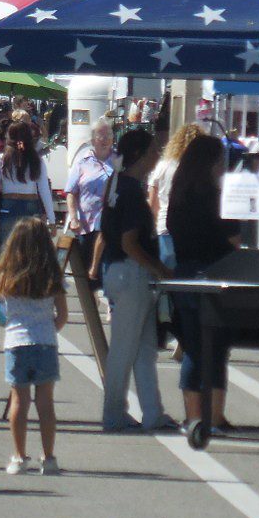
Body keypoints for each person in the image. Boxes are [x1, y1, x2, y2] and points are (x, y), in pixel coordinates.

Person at [97, 129, 175, 433]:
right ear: (141, 154)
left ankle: (152, 412)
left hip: (120, 271)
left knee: (142, 349)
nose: (157, 155)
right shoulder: (130, 191)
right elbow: (130, 242)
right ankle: (113, 413)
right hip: (132, 271)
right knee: (125, 350)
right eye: (154, 150)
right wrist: (158, 268)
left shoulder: (118, 185)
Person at [0, 217, 67, 476]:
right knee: (45, 402)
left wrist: (5, 322)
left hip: (16, 342)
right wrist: (49, 329)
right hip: (46, 343)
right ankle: (48, 457)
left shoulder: (5, 275)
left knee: (20, 401)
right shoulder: (52, 275)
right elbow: (61, 315)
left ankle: (19, 456)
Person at [166, 134, 241, 431]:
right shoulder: (216, 196)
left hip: (184, 272)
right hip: (214, 272)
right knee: (217, 345)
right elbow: (234, 239)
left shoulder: (179, 195)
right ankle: (215, 415)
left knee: (193, 345)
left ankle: (194, 416)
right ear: (212, 163)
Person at [0, 119, 55, 248]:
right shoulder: (37, 161)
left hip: (8, 207)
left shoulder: (0, 159)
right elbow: (44, 191)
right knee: (30, 252)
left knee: (7, 252)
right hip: (31, 207)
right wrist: (52, 220)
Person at [148, 124, 203, 269]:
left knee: (164, 274)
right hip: (190, 230)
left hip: (163, 227)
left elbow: (152, 203)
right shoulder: (198, 170)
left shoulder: (162, 166)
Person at [64, 120, 116, 263]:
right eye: (101, 136)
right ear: (93, 140)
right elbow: (70, 192)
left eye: (109, 136)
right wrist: (74, 218)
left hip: (110, 226)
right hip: (87, 226)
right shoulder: (82, 162)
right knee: (87, 270)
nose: (105, 140)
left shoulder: (119, 161)